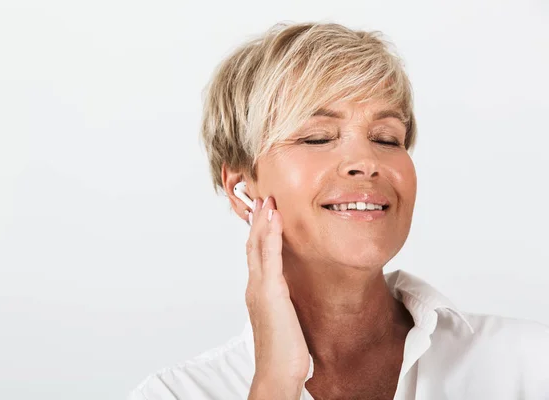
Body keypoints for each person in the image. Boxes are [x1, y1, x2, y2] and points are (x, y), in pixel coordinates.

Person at [129, 22, 549, 400]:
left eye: (386, 138)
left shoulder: (532, 367)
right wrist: (277, 383)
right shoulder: (174, 394)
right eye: (317, 137)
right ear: (242, 188)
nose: (366, 161)